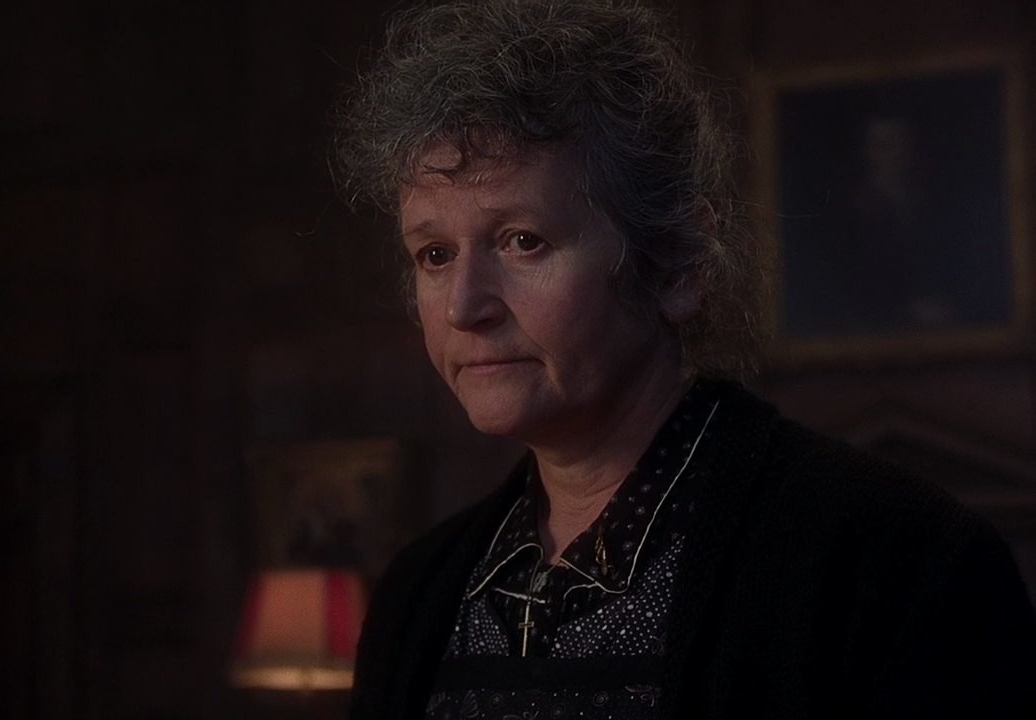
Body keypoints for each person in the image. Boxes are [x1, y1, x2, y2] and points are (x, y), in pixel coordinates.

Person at [330, 1, 1036, 719]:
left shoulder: (900, 565)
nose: (463, 307)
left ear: (676, 265)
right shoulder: (416, 596)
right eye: (435, 254)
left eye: (523, 241)